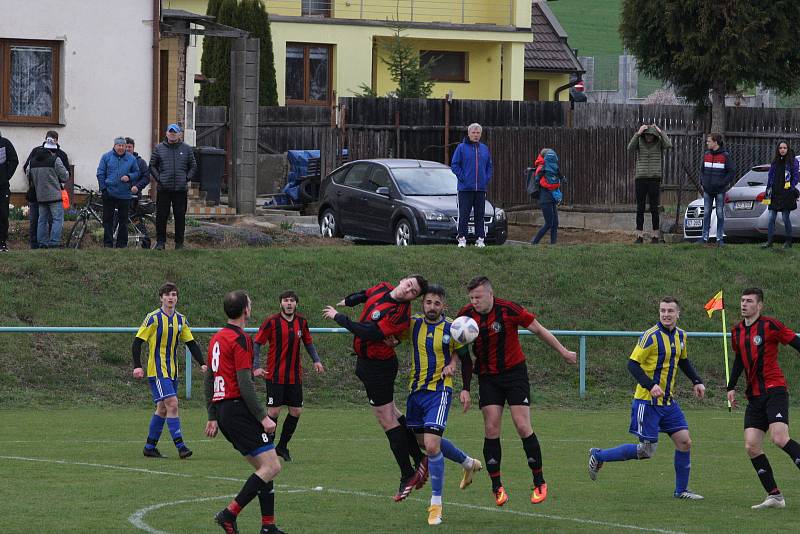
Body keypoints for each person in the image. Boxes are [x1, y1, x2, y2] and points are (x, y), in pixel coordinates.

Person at [457, 276, 576, 507]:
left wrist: (563, 351)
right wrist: (455, 367)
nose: (474, 302)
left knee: (522, 425)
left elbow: (539, 330)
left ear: (490, 294)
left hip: (514, 374)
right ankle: (497, 487)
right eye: (471, 298)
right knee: (491, 427)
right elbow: (456, 342)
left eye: (478, 297)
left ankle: (539, 482)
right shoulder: (466, 316)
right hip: (488, 377)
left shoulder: (509, 309)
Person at [322, 275, 429, 501]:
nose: (408, 290)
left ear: (414, 298)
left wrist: (338, 316)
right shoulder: (382, 288)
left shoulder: (400, 315)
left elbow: (369, 332)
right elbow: (365, 293)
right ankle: (419, 459)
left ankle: (407, 474)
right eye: (409, 284)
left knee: (386, 419)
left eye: (413, 292)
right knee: (393, 413)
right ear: (402, 280)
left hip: (379, 367)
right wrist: (348, 301)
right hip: (367, 363)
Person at [588, 297, 705, 500]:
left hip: (668, 403)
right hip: (647, 402)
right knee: (645, 451)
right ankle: (599, 456)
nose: (666, 314)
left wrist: (697, 381)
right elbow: (632, 364)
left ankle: (681, 491)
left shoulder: (681, 336)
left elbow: (683, 361)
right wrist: (651, 385)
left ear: (678, 314)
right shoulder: (650, 336)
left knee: (685, 442)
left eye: (670, 311)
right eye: (663, 310)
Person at [400, 284, 483, 525]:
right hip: (415, 392)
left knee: (432, 445)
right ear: (422, 304)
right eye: (428, 302)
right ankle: (467, 463)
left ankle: (436, 504)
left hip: (440, 391)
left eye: (437, 303)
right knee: (421, 440)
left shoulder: (454, 328)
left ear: (443, 306)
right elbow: (394, 334)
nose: (432, 307)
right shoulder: (413, 324)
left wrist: (465, 388)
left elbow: (467, 360)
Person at [205, 290, 286, 534]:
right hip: (238, 408)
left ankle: (268, 526)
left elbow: (209, 379)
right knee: (272, 467)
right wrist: (263, 417)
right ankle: (229, 514)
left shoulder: (217, 338)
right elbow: (245, 383)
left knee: (264, 467)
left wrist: (211, 415)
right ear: (246, 311)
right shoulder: (241, 339)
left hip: (224, 411)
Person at [726, 287, 800, 510]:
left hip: (774, 390)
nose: (744, 304)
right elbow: (739, 359)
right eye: (742, 300)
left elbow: (796, 342)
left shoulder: (770, 325)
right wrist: (731, 386)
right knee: (751, 446)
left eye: (749, 301)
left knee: (779, 438)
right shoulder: (737, 331)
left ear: (759, 306)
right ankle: (775, 496)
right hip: (754, 395)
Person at [132, 282, 205, 459]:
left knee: (162, 409)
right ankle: (181, 447)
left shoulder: (181, 319)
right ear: (161, 298)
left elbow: (191, 343)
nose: (170, 298)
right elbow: (137, 342)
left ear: (177, 298)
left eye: (173, 294)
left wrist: (202, 363)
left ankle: (149, 447)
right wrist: (137, 366)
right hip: (157, 370)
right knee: (172, 403)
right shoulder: (153, 318)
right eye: (167, 295)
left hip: (172, 371)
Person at [253, 290, 325, 462]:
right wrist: (255, 366)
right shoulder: (272, 321)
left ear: (296, 304)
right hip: (275, 375)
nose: (289, 303)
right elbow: (257, 343)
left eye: (292, 301)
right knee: (274, 411)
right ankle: (267, 449)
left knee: (296, 411)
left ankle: (282, 447)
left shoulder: (302, 322)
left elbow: (308, 342)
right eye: (286, 300)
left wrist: (316, 360)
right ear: (281, 304)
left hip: (294, 376)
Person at [149, 123, 197, 250]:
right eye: (170, 132)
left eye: (175, 132)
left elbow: (193, 166)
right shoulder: (159, 148)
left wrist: (186, 178)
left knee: (180, 216)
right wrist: (159, 179)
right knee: (161, 216)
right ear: (166, 134)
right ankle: (160, 242)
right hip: (164, 189)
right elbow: (152, 165)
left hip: (180, 190)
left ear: (179, 134)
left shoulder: (186, 149)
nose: (172, 134)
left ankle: (179, 243)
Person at [23, 131, 70, 250]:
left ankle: (42, 243)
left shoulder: (32, 161)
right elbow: (65, 176)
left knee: (41, 220)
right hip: (54, 195)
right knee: (57, 219)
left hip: (40, 195)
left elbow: (28, 173)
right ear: (52, 149)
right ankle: (54, 243)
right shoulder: (56, 159)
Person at [450, 123, 493, 248]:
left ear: (480, 134)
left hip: (480, 188)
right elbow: (455, 165)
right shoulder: (461, 148)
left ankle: (480, 239)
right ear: (468, 134)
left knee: (480, 215)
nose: (475, 135)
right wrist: (464, 178)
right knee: (464, 214)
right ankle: (462, 239)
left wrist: (485, 179)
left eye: (478, 133)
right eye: (473, 133)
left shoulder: (484, 149)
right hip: (465, 189)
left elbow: (489, 166)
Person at [628, 124, 672, 244]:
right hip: (640, 179)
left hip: (654, 179)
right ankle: (639, 236)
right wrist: (638, 133)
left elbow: (669, 144)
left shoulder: (659, 143)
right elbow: (629, 148)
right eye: (647, 135)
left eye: (651, 135)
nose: (649, 137)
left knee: (654, 208)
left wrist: (660, 131)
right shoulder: (639, 142)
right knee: (640, 208)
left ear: (654, 135)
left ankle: (655, 236)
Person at [97, 137, 139, 248]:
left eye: (122, 146)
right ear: (114, 146)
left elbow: (136, 172)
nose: (120, 148)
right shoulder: (106, 157)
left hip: (124, 195)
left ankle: (122, 244)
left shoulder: (131, 159)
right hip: (109, 193)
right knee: (108, 220)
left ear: (126, 147)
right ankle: (108, 244)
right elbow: (100, 173)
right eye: (118, 145)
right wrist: (104, 189)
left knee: (123, 221)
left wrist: (129, 177)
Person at [700, 133, 735, 247]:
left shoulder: (725, 156)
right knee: (706, 213)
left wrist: (722, 184)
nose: (707, 143)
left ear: (715, 142)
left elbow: (731, 172)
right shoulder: (706, 155)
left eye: (709, 141)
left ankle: (719, 239)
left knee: (720, 213)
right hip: (707, 190)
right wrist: (702, 182)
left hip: (720, 191)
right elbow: (702, 170)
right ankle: (704, 238)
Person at [762, 141, 799, 249]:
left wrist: (791, 188)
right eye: (780, 148)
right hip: (774, 193)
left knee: (785, 217)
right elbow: (770, 177)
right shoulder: (775, 162)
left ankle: (788, 241)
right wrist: (768, 191)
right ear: (778, 150)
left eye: (784, 148)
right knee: (771, 218)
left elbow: (795, 177)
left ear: (788, 149)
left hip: (786, 193)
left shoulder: (793, 161)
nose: (782, 150)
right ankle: (769, 242)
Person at [530, 149, 563, 245]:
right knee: (549, 223)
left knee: (555, 223)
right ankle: (534, 242)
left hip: (551, 198)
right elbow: (538, 181)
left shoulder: (550, 167)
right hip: (545, 199)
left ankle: (553, 245)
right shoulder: (541, 167)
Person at [0, 130, 19, 252]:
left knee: (2, 215)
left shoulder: (5, 143)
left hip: (2, 188)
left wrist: (5, 176)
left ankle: (2, 243)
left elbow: (14, 160)